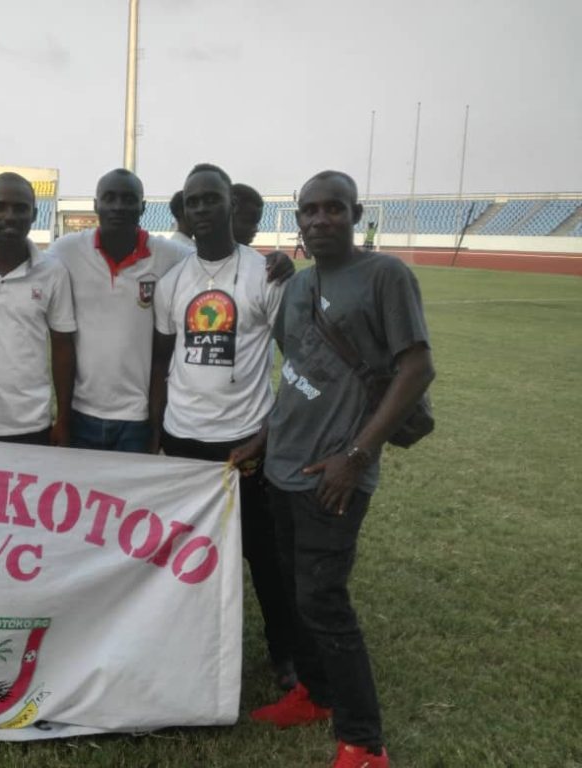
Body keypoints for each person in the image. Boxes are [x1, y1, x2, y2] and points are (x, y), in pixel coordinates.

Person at [233, 171, 434, 768]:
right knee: (295, 592)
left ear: (355, 214)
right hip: (283, 465)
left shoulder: (385, 276)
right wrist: (264, 438)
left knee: (324, 601)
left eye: (334, 209)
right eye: (310, 210)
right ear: (297, 218)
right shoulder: (298, 286)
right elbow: (298, 372)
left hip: (336, 472)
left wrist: (357, 456)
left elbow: (417, 368)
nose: (320, 219)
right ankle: (316, 695)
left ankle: (364, 743)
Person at [150, 164, 296, 691]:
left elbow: (298, 364)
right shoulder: (173, 282)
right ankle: (187, 644)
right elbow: (161, 362)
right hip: (183, 441)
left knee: (264, 555)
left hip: (244, 443)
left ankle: (285, 652)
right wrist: (156, 434)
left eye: (211, 199)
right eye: (193, 202)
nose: (202, 209)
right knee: (184, 551)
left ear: (231, 205)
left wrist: (266, 435)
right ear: (184, 212)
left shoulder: (267, 274)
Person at [45, 168, 194, 452]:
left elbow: (215, 262)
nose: (118, 206)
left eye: (128, 199)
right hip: (80, 412)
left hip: (137, 418)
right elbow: (29, 265)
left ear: (143, 207)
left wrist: (271, 262)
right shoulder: (67, 250)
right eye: (109, 198)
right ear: (96, 205)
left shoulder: (169, 255)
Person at [0, 173, 76, 444]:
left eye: (20, 208)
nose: (9, 216)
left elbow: (62, 348)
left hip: (32, 424)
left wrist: (63, 419)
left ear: (34, 215)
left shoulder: (53, 272)